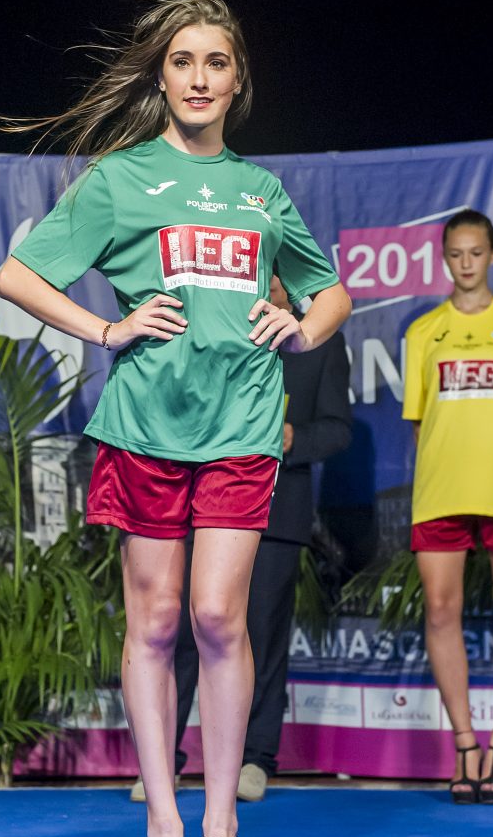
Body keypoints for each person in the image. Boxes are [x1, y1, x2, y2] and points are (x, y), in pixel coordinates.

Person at [0, 0, 351, 837]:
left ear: (237, 82)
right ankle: (162, 830)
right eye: (182, 61)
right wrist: (105, 327)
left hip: (241, 426)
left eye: (215, 62)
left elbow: (329, 292)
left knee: (216, 616)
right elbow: (15, 275)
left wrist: (300, 326)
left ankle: (221, 828)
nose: (198, 78)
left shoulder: (259, 191)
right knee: (153, 624)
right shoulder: (120, 179)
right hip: (145, 429)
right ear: (161, 76)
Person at [130, 275, 352, 803]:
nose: (268, 285)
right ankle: (164, 760)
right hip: (204, 500)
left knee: (261, 633)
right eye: (259, 273)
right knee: (186, 628)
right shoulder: (214, 321)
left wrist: (294, 438)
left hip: (278, 511)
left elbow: (338, 428)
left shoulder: (318, 338)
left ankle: (257, 758)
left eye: (277, 276)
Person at [402, 209, 493, 805]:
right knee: (441, 612)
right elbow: (419, 422)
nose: (466, 263)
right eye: (456, 253)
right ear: (445, 257)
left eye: (476, 252)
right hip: (440, 490)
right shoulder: (422, 331)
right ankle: (466, 744)